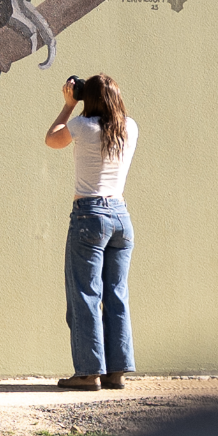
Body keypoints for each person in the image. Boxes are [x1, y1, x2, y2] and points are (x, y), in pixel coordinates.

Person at [45, 73, 138, 391]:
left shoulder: (82, 127)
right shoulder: (130, 127)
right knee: (116, 295)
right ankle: (117, 371)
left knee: (85, 294)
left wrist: (69, 104)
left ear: (89, 99)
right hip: (121, 219)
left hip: (89, 216)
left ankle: (88, 373)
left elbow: (52, 138)